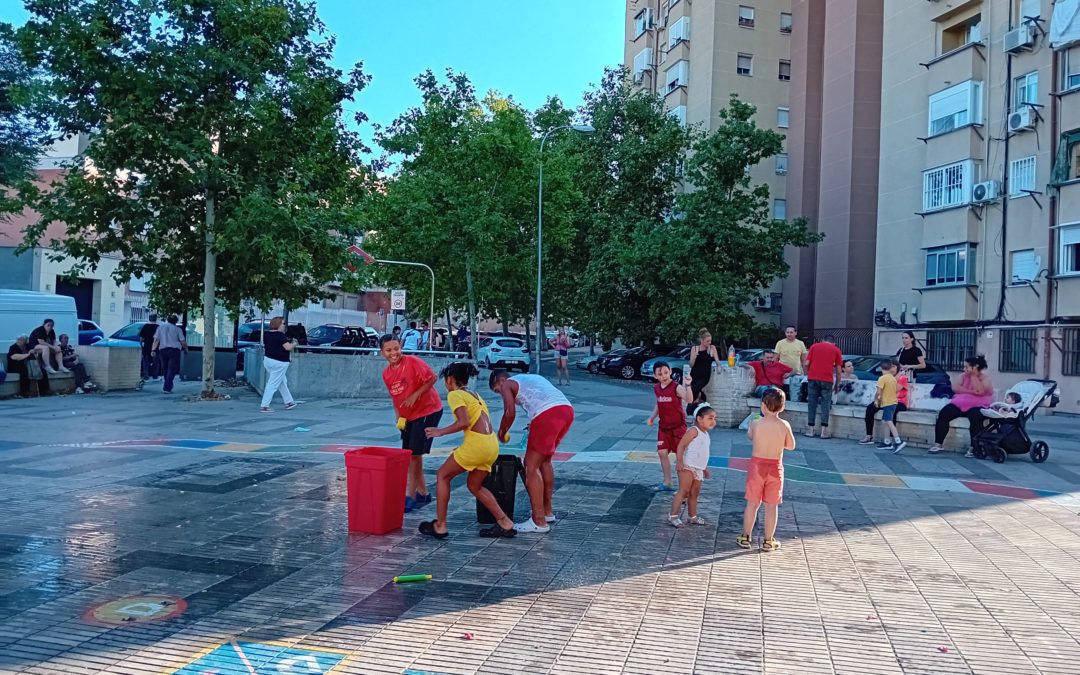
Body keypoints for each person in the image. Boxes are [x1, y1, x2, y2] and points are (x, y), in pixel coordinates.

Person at [419, 362, 517, 539]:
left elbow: (463, 422)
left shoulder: (455, 395)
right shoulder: (474, 394)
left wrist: (439, 431)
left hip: (477, 446)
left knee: (443, 475)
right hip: (490, 445)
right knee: (474, 485)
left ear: (450, 380)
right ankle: (505, 522)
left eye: (445, 381)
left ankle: (440, 525)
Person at [491, 369, 574, 534]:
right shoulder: (530, 377)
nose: (501, 393)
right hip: (565, 411)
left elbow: (509, 413)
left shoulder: (508, 383)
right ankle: (547, 512)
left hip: (547, 415)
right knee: (545, 461)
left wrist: (501, 432)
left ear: (500, 381)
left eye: (497, 390)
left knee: (530, 466)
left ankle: (538, 521)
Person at [380, 333, 443, 511]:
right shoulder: (386, 374)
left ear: (401, 347)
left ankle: (410, 495)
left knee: (413, 455)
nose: (393, 353)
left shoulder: (412, 361)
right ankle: (423, 494)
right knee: (412, 454)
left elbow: (432, 378)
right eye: (389, 350)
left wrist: (416, 394)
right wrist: (398, 417)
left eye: (396, 349)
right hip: (408, 416)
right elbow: (395, 398)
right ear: (382, 352)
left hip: (427, 410)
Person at [738, 388, 795, 552]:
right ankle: (768, 540)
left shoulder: (756, 423)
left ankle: (745, 536)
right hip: (775, 467)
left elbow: (750, 436)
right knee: (771, 505)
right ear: (782, 407)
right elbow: (791, 446)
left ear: (763, 406)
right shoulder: (784, 425)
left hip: (757, 466)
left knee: (752, 503)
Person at [929, 355, 993, 457]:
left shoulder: (984, 379)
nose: (964, 369)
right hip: (959, 404)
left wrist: (973, 376)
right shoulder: (962, 376)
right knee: (944, 413)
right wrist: (971, 392)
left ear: (975, 367)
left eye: (967, 367)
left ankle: (974, 447)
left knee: (975, 417)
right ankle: (938, 443)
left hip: (978, 405)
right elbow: (955, 388)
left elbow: (980, 391)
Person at [646, 362, 694, 492]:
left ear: (670, 371)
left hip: (678, 427)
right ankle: (667, 482)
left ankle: (684, 487)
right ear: (655, 376)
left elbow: (689, 400)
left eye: (666, 372)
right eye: (660, 374)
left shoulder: (676, 387)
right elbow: (658, 404)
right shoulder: (656, 388)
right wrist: (652, 417)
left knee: (680, 457)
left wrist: (688, 385)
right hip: (664, 427)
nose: (664, 376)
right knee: (662, 453)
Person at [668, 404, 716, 527]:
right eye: (710, 418)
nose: (713, 421)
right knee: (684, 491)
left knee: (694, 493)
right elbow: (681, 445)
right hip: (687, 465)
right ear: (699, 419)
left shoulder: (706, 434)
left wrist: (704, 468)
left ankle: (692, 516)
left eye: (714, 418)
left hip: (698, 468)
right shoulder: (694, 430)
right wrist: (679, 461)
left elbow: (702, 453)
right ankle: (673, 516)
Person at [803, 335, 843, 438]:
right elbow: (838, 371)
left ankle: (810, 430)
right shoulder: (836, 350)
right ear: (833, 342)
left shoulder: (814, 347)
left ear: (822, 340)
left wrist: (808, 374)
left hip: (812, 378)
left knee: (812, 403)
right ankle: (823, 432)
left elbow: (806, 363)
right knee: (826, 405)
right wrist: (837, 384)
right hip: (827, 380)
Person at [860, 364, 909, 447]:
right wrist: (877, 400)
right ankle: (870, 435)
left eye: (894, 366)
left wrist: (896, 377)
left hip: (898, 401)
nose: (892, 368)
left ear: (897, 368)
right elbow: (880, 391)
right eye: (891, 366)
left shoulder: (901, 378)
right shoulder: (887, 377)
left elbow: (895, 390)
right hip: (885, 400)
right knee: (870, 409)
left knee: (889, 417)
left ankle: (895, 440)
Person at [259, 316, 298, 413]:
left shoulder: (267, 334)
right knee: (273, 384)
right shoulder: (280, 336)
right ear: (278, 324)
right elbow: (288, 347)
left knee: (281, 381)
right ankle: (264, 406)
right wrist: (294, 343)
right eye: (283, 323)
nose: (284, 326)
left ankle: (289, 402)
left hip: (268, 361)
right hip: (279, 362)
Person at [869, 360, 906, 452]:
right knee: (885, 421)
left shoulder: (882, 378)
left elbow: (878, 392)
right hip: (893, 402)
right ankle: (887, 442)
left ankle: (898, 441)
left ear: (881, 368)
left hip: (887, 403)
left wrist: (876, 401)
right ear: (890, 368)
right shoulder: (893, 378)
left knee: (889, 421)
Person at [150, 315, 187, 393]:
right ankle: (167, 387)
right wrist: (186, 349)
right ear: (176, 321)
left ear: (168, 320)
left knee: (165, 368)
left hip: (163, 350)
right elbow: (182, 341)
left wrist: (153, 350)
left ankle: (168, 384)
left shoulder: (160, 328)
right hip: (174, 350)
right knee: (172, 369)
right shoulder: (178, 329)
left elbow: (156, 340)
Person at [688, 329, 719, 413]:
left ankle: (692, 406)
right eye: (707, 341)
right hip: (694, 375)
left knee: (695, 390)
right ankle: (699, 402)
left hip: (705, 375)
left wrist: (719, 367)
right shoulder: (694, 349)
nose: (709, 342)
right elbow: (691, 365)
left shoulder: (712, 348)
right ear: (702, 340)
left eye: (710, 341)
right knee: (693, 390)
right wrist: (694, 357)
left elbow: (717, 361)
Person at [138, 315, 160, 380]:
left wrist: (141, 343)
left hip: (147, 346)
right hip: (156, 347)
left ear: (149, 319)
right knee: (156, 363)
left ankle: (146, 376)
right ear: (156, 319)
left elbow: (141, 337)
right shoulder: (158, 327)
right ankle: (155, 376)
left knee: (146, 362)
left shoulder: (145, 326)